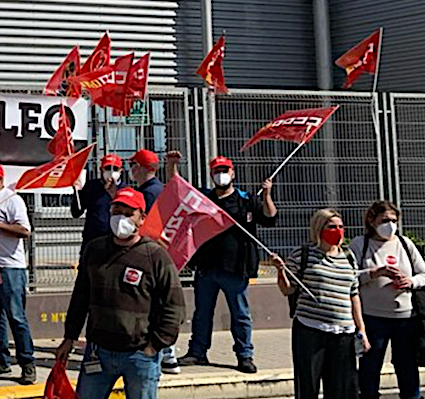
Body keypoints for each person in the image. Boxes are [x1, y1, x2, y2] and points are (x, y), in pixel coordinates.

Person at [38, 188, 184, 399]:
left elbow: (174, 307)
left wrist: (154, 346)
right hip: (97, 352)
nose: (119, 217)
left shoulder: (155, 255)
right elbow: (80, 297)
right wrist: (68, 337)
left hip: (140, 357)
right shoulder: (94, 250)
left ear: (141, 218)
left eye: (128, 212)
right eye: (116, 210)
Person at [270, 209, 368, 399]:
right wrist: (281, 272)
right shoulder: (303, 255)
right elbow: (287, 289)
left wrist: (362, 331)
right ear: (319, 228)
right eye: (331, 226)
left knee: (343, 389)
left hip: (343, 332)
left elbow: (353, 294)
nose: (338, 231)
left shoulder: (348, 257)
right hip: (310, 330)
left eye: (340, 226)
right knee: (309, 389)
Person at [174, 154, 277, 374]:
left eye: (224, 170)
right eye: (216, 171)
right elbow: (179, 193)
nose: (221, 175)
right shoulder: (204, 199)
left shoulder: (246, 200)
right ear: (211, 175)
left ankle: (244, 355)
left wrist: (267, 194)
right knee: (202, 313)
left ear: (232, 173)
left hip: (236, 268)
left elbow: (269, 218)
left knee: (240, 314)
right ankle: (197, 352)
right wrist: (172, 166)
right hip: (207, 267)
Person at [349, 200, 425, 399]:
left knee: (407, 369)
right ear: (372, 221)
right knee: (369, 369)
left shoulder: (405, 244)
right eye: (385, 221)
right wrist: (375, 273)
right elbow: (348, 276)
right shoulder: (360, 245)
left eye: (394, 221)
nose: (390, 226)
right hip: (373, 318)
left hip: (406, 318)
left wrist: (411, 282)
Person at [0, 160, 36, 385]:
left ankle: (27, 362)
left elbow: (24, 230)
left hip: (10, 266)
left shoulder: (12, 200)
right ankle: (1, 360)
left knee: (16, 316)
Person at [128, 149, 177, 375]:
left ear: (144, 168)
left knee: (154, 303)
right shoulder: (157, 190)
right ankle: (168, 353)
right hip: (159, 253)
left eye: (134, 165)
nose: (131, 170)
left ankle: (166, 353)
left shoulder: (149, 193)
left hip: (150, 254)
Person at [71, 154, 123, 247]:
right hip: (93, 239)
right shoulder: (91, 187)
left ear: (120, 171)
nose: (111, 172)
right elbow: (76, 212)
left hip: (116, 240)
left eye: (115, 169)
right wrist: (77, 192)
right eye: (107, 168)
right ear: (101, 170)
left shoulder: (126, 190)